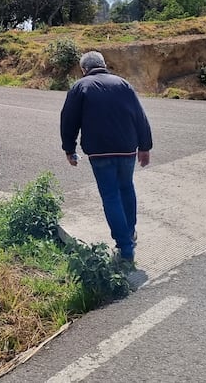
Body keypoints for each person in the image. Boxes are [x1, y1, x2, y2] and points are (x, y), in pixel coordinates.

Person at [60, 51, 152, 268]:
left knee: (110, 196)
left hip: (100, 152)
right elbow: (140, 115)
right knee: (127, 189)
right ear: (104, 64)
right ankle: (129, 234)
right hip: (127, 148)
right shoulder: (123, 84)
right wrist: (145, 146)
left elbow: (68, 121)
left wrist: (69, 149)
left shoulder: (80, 87)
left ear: (84, 69)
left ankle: (125, 248)